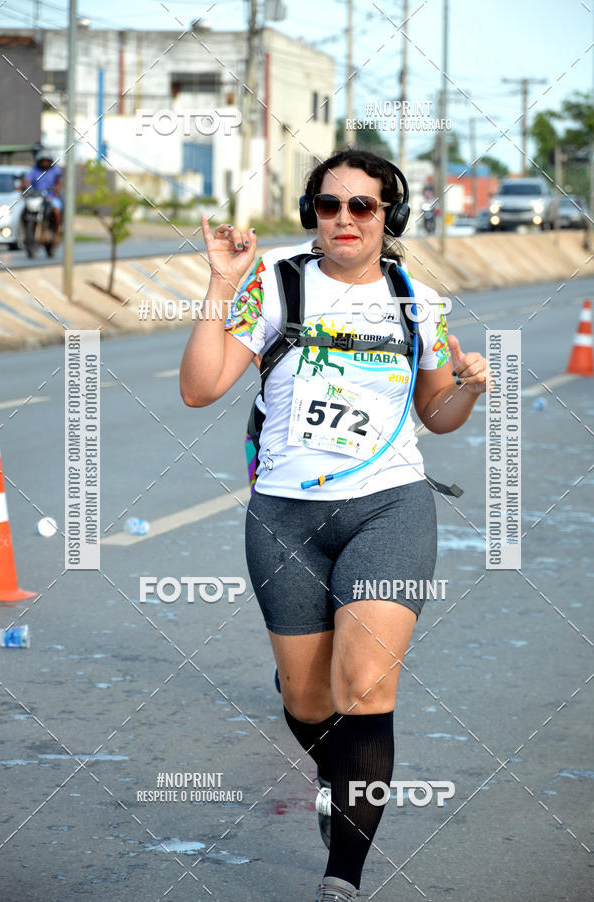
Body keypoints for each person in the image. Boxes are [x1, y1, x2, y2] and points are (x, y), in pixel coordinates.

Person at [179, 148, 491, 901]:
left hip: (390, 505)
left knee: (365, 685)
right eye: (329, 205)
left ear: (391, 216)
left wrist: (470, 390)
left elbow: (437, 416)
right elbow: (199, 388)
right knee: (309, 699)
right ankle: (331, 767)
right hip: (285, 513)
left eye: (363, 206)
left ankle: (341, 878)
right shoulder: (276, 284)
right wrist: (222, 282)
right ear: (311, 214)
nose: (345, 219)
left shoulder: (420, 298)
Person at [21, 150, 64, 245]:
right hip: (37, 197)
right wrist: (24, 186)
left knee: (56, 210)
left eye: (46, 161)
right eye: (42, 161)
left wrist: (56, 188)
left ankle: (57, 233)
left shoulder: (55, 170)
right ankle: (26, 233)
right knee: (23, 211)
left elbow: (60, 182)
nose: (44, 163)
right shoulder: (34, 170)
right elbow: (27, 180)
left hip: (51, 197)